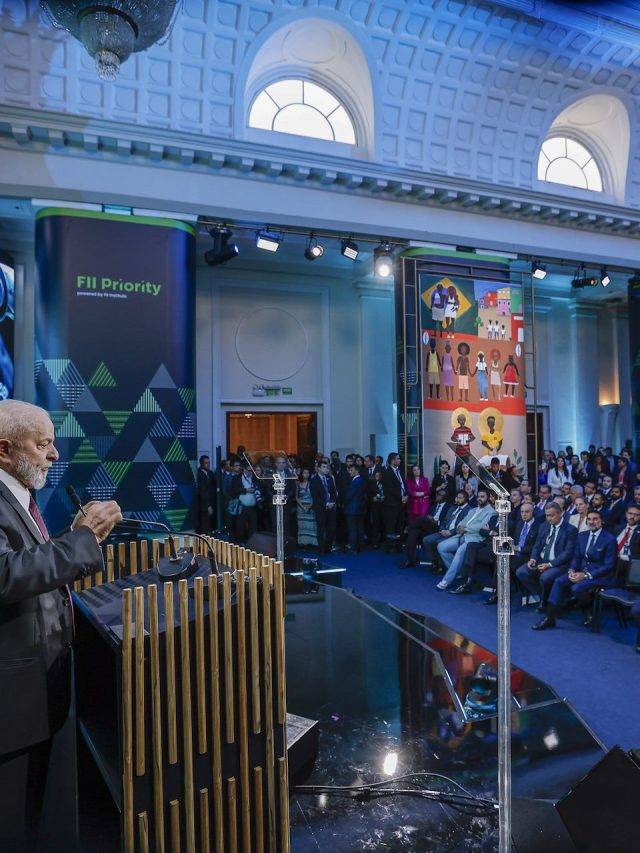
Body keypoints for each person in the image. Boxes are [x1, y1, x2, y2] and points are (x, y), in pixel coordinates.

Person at [0, 400, 122, 849]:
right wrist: (82, 539)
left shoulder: (18, 496)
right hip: (11, 705)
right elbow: (7, 575)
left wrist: (73, 537)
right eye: (43, 444)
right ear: (4, 450)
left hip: (35, 694)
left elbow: (31, 563)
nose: (54, 454)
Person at [533, 510, 617, 630]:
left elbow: (608, 566)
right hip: (580, 571)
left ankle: (587, 610)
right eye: (589, 519)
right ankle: (549, 618)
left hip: (600, 575)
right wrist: (572, 570)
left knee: (576, 588)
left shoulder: (610, 539)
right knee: (559, 581)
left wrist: (586, 575)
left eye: (595, 519)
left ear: (601, 521)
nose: (591, 522)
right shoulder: (582, 536)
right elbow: (576, 557)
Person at [515, 502, 578, 610]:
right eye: (547, 515)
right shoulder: (544, 526)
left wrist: (549, 564)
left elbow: (568, 553)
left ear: (560, 513)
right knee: (521, 572)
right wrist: (533, 559)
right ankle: (542, 596)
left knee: (545, 577)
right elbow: (537, 545)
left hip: (558, 564)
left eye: (552, 515)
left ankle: (545, 600)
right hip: (541, 560)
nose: (549, 518)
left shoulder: (570, 530)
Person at [436, 487, 496, 589]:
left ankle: (446, 581)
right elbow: (462, 522)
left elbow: (481, 527)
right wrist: (460, 527)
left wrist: (465, 529)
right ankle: (459, 573)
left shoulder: (491, 512)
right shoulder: (473, 510)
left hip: (475, 539)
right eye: (478, 497)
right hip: (462, 535)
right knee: (441, 547)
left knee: (459, 552)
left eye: (482, 497)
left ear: (488, 498)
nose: (479, 499)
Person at [401, 487, 449, 568]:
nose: (437, 496)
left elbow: (447, 522)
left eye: (440, 495)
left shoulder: (448, 507)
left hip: (438, 527)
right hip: (427, 527)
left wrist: (435, 521)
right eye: (437, 494)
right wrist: (429, 519)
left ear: (445, 497)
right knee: (413, 532)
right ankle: (410, 560)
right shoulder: (432, 506)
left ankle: (405, 531)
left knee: (422, 519)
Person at [421, 490, 471, 566]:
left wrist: (451, 532)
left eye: (460, 498)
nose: (457, 499)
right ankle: (435, 561)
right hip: (444, 531)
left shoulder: (469, 510)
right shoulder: (453, 507)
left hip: (455, 534)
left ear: (466, 499)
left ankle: (442, 566)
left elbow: (464, 526)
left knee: (437, 542)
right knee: (426, 540)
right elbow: (444, 521)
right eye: (457, 497)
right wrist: (442, 530)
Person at [381, 453, 408, 550]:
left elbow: (403, 485)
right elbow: (390, 489)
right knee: (391, 526)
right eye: (397, 459)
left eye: (399, 459)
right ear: (392, 460)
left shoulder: (399, 471)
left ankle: (398, 545)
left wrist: (406, 495)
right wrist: (401, 498)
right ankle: (390, 546)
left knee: (400, 525)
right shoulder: (387, 472)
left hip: (401, 504)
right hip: (391, 504)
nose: (399, 460)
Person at [310, 460, 338, 553]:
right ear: (318, 468)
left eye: (327, 467)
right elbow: (315, 496)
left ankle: (328, 547)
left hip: (331, 507)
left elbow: (333, 492)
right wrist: (325, 504)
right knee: (321, 529)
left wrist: (332, 502)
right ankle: (321, 549)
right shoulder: (314, 480)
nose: (326, 469)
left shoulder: (329, 478)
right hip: (320, 508)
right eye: (324, 467)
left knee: (331, 528)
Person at [228, 462, 259, 543]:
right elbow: (233, 490)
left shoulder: (254, 478)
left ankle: (252, 543)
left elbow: (259, 488)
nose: (250, 472)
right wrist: (246, 490)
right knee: (240, 526)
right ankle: (240, 543)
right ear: (244, 470)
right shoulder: (237, 478)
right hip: (241, 507)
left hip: (253, 507)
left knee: (253, 526)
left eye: (252, 470)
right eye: (249, 470)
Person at [344, 464, 367, 552]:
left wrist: (343, 503)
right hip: (360, 509)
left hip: (352, 509)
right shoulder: (361, 480)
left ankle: (354, 548)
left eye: (351, 470)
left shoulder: (356, 481)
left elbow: (349, 496)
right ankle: (360, 546)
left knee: (353, 529)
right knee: (359, 528)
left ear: (356, 471)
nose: (349, 472)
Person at [296, 467, 317, 547]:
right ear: (302, 474)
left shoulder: (312, 484)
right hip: (300, 507)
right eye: (305, 473)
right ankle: (303, 542)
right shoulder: (298, 484)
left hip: (310, 506)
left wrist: (309, 506)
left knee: (311, 525)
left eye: (308, 473)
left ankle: (312, 542)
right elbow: (296, 496)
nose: (306, 474)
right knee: (302, 525)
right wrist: (302, 506)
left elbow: (314, 496)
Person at [196, 454, 216, 534]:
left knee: (210, 526)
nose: (208, 464)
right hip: (203, 505)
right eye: (206, 463)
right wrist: (208, 506)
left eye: (209, 462)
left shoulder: (210, 473)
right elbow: (202, 491)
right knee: (204, 526)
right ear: (201, 464)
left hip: (212, 502)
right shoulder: (198, 474)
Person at [368, 469, 386, 548]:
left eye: (379, 475)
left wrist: (385, 497)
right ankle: (375, 542)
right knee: (375, 524)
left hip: (384, 506)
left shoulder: (385, 483)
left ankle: (384, 540)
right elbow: (368, 494)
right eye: (376, 475)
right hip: (375, 506)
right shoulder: (371, 484)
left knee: (384, 524)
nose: (377, 477)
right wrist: (372, 498)